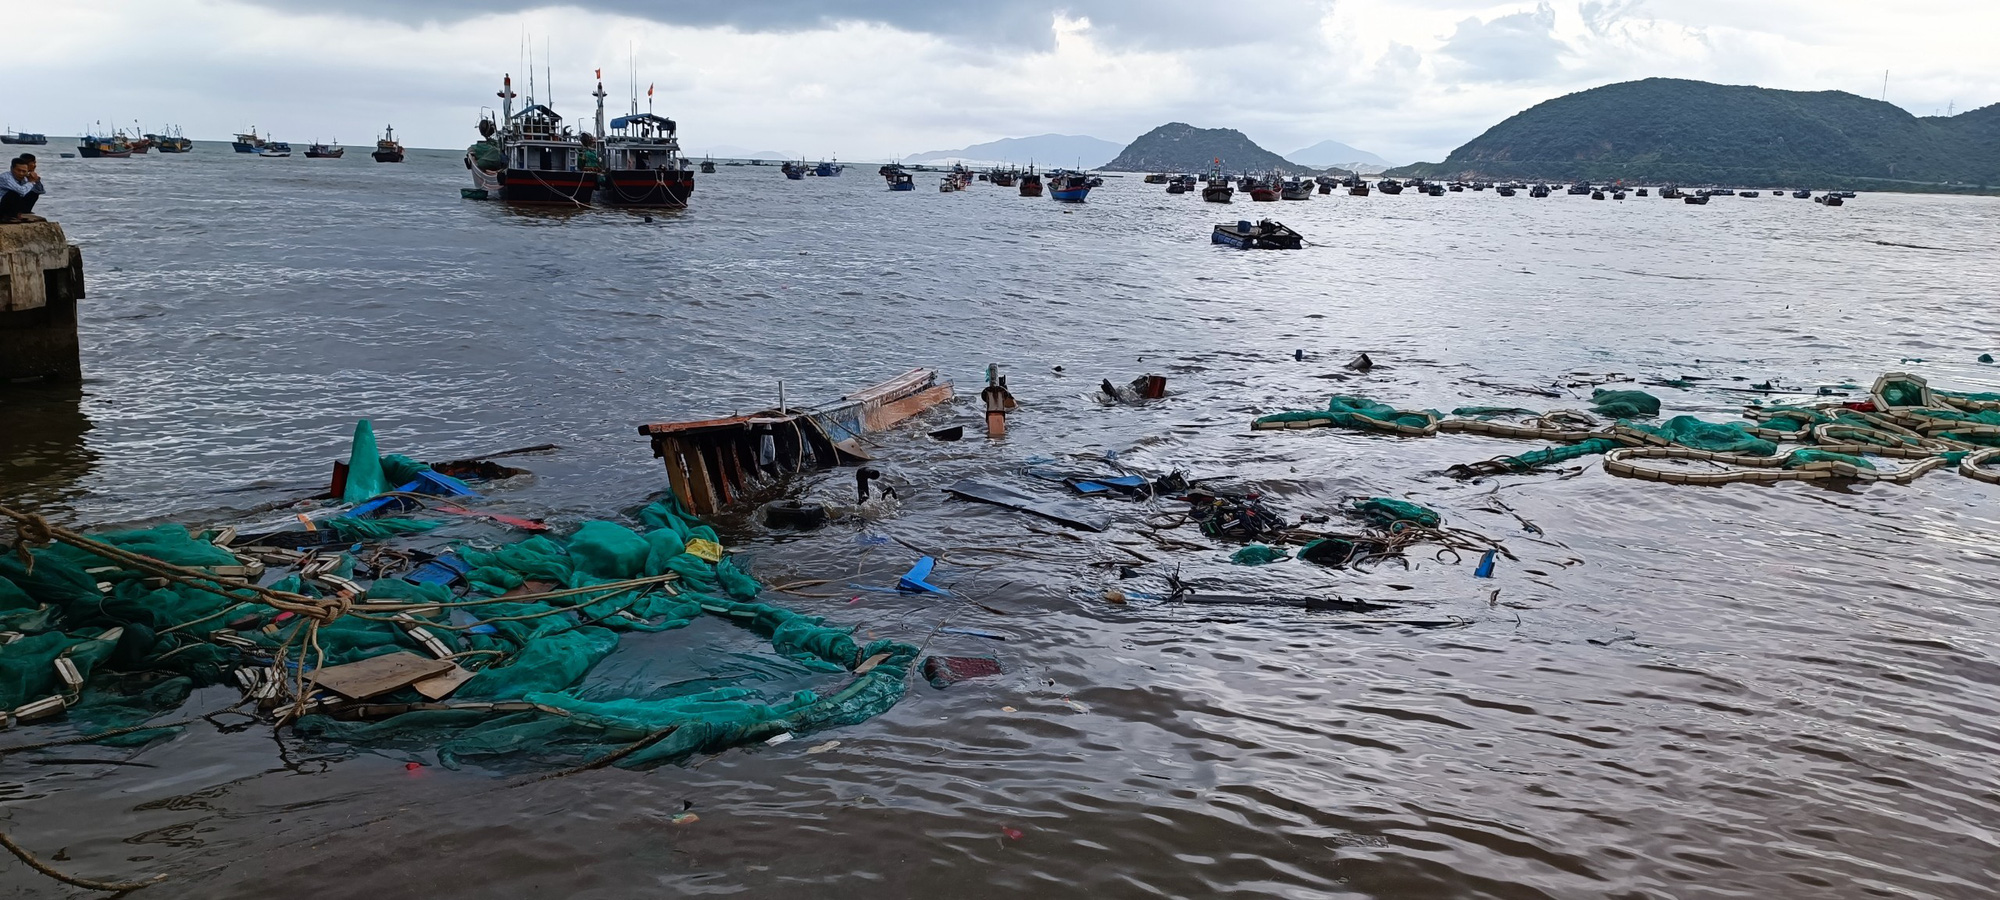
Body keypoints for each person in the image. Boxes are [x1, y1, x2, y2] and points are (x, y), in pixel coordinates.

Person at [0, 154, 44, 223]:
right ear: (12, 168)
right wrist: (31, 182)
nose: (21, 173)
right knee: (13, 193)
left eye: (24, 171)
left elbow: (40, 191)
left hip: (15, 206)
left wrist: (37, 181)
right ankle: (7, 216)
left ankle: (22, 213)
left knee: (33, 194)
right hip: (2, 206)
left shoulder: (25, 178)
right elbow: (21, 191)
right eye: (18, 170)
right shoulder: (5, 177)